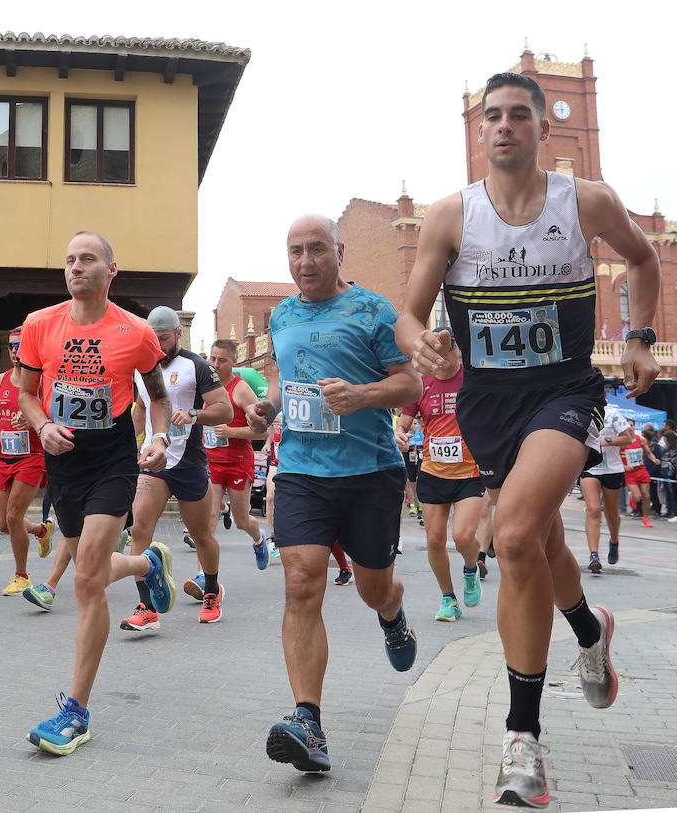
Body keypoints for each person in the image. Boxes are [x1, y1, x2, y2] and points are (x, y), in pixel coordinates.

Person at [396, 71, 660, 807]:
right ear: (479, 131)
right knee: (541, 544)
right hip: (487, 404)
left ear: (543, 127)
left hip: (565, 393)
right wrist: (426, 346)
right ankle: (587, 626)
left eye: (519, 114)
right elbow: (408, 318)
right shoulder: (452, 217)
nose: (505, 125)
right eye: (493, 117)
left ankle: (523, 741)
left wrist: (638, 336)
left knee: (510, 536)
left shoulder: (587, 202)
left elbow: (643, 258)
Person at [249, 214, 421, 774]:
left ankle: (392, 611)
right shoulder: (280, 314)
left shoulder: (373, 310)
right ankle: (308, 722)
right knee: (300, 583)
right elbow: (279, 378)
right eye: (295, 250)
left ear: (339, 252)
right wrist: (267, 407)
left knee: (373, 587)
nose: (305, 261)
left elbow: (410, 384)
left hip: (370, 471)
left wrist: (363, 394)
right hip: (301, 470)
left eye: (316, 249)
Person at [15, 229, 177, 755]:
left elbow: (157, 398)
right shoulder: (40, 325)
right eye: (69, 260)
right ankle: (148, 565)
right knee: (91, 571)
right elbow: (25, 393)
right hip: (63, 458)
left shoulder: (134, 332)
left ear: (111, 270)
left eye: (88, 259)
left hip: (112, 456)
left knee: (85, 578)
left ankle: (77, 711)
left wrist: (158, 437)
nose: (76, 267)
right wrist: (41, 427)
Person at [120, 305, 231, 630]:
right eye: (152, 338)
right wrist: (133, 442)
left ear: (178, 334)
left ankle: (212, 590)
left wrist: (195, 414)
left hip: (188, 463)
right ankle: (146, 606)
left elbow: (224, 409)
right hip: (153, 461)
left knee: (201, 536)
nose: (158, 344)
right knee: (138, 529)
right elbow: (141, 406)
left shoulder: (196, 366)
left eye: (164, 338)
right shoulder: (142, 366)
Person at [399, 353, 486, 622]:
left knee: (462, 536)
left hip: (470, 472)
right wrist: (400, 434)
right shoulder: (421, 383)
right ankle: (449, 598)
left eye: (447, 353)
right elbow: (404, 421)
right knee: (434, 540)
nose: (441, 360)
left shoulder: (473, 378)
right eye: (435, 355)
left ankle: (471, 568)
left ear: (458, 353)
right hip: (433, 471)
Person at [0, 327, 54, 596]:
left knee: (14, 516)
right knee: (3, 524)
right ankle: (40, 530)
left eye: (21, 346)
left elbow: (52, 411)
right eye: (12, 346)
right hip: (5, 457)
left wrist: (34, 418)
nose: (16, 351)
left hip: (32, 456)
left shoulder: (41, 382)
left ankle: (21, 575)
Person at [202, 339, 271, 573]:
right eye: (212, 359)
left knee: (242, 520)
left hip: (238, 462)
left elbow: (264, 428)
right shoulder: (205, 386)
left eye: (221, 360)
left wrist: (231, 431)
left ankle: (259, 539)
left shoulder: (240, 388)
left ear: (233, 361)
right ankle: (205, 577)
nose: (215, 364)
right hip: (211, 461)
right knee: (208, 518)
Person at [580, 403, 634, 573]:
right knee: (593, 510)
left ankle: (614, 541)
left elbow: (628, 438)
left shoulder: (613, 414)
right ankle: (594, 556)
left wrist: (607, 441)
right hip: (590, 469)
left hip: (612, 469)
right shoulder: (580, 411)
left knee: (611, 513)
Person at [623, 426, 655, 527]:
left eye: (632, 425)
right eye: (628, 426)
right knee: (637, 497)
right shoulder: (622, 441)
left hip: (641, 470)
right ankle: (632, 496)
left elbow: (648, 453)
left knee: (646, 495)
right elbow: (615, 457)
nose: (630, 428)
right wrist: (624, 466)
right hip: (630, 472)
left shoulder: (641, 439)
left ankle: (645, 518)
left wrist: (654, 459)